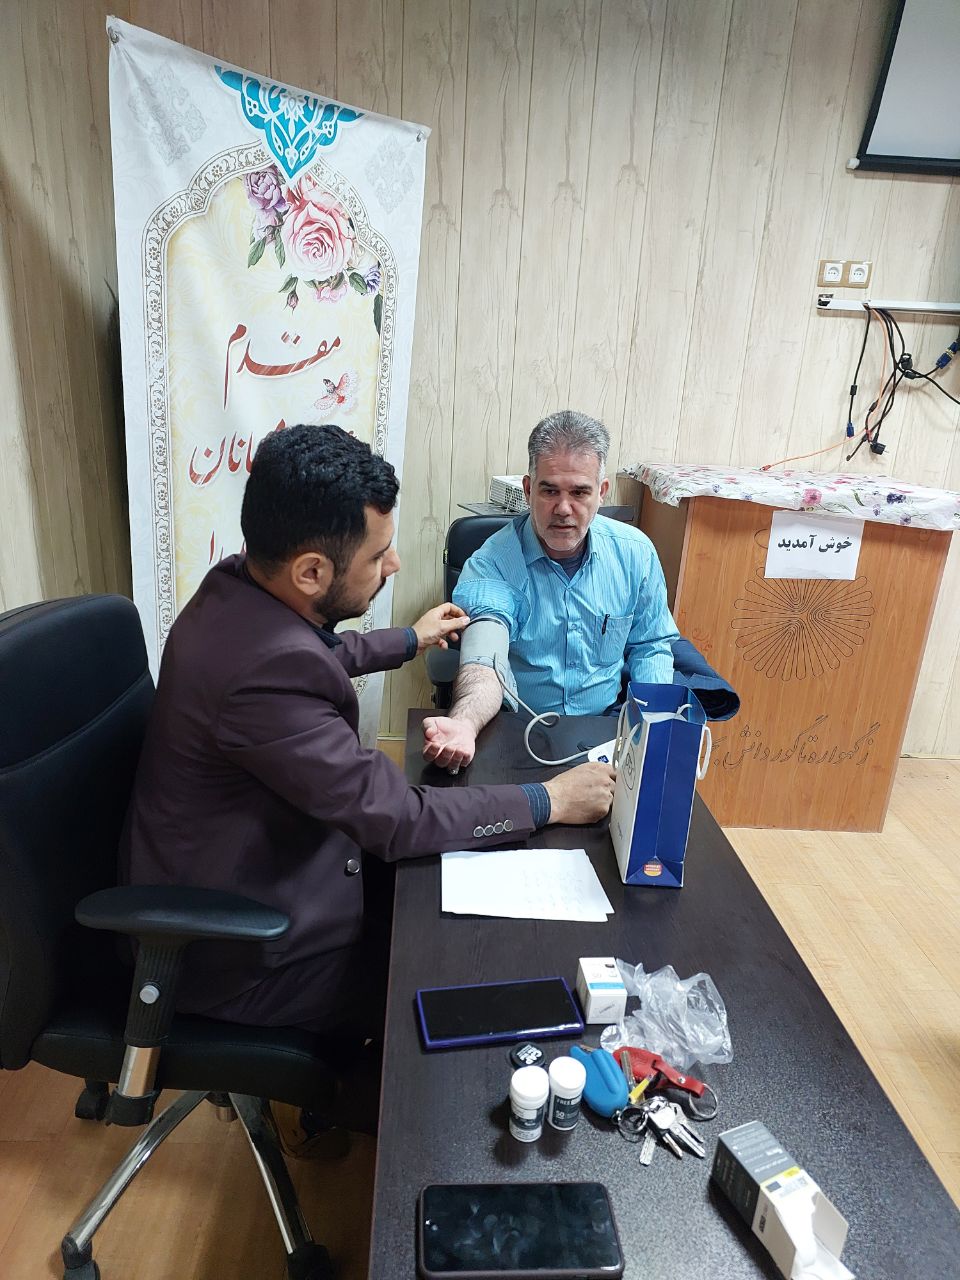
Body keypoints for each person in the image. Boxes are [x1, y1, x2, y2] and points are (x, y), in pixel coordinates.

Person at [120, 424, 615, 1042]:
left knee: (443, 906)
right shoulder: (264, 678)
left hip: (248, 863)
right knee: (449, 980)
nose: (395, 564)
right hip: (243, 957)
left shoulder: (238, 585)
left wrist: (407, 639)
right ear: (311, 571)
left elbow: (309, 648)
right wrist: (550, 799)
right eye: (378, 556)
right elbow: (398, 817)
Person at [422, 410, 680, 772]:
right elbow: (484, 662)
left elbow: (650, 646)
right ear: (529, 490)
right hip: (519, 731)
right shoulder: (492, 563)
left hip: (606, 730)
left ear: (601, 493)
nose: (563, 508)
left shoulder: (635, 554)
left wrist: (652, 731)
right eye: (549, 491)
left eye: (579, 492)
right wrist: (465, 723)